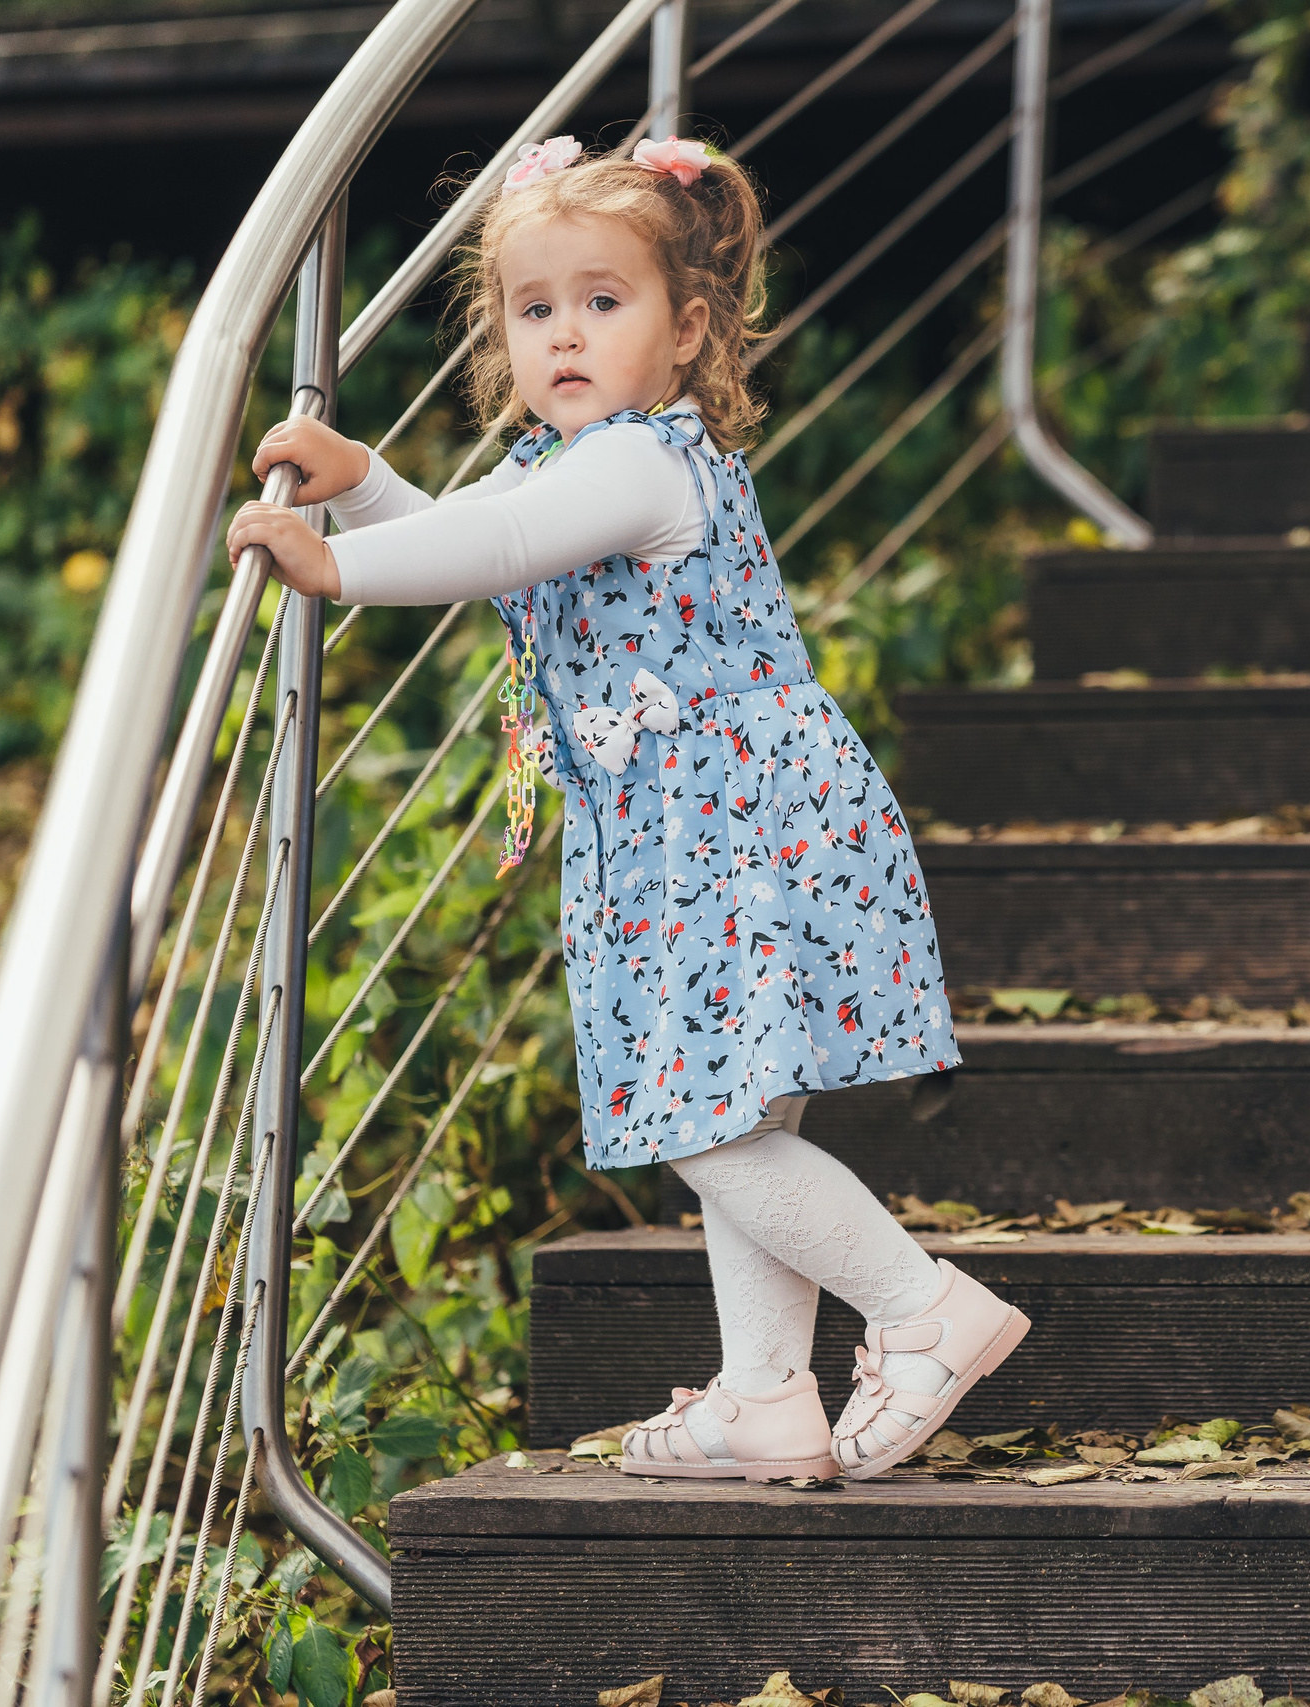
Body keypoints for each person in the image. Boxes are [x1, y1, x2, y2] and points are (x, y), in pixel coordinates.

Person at [227, 133, 1027, 1482]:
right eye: (535, 310)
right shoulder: (575, 470)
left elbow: (491, 544)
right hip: (682, 834)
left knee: (703, 1125)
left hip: (725, 832)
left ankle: (924, 1309)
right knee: (734, 1117)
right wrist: (362, 488)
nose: (567, 335)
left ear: (689, 325)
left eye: (606, 302)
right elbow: (498, 548)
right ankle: (767, 1397)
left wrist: (332, 565)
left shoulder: (642, 464)